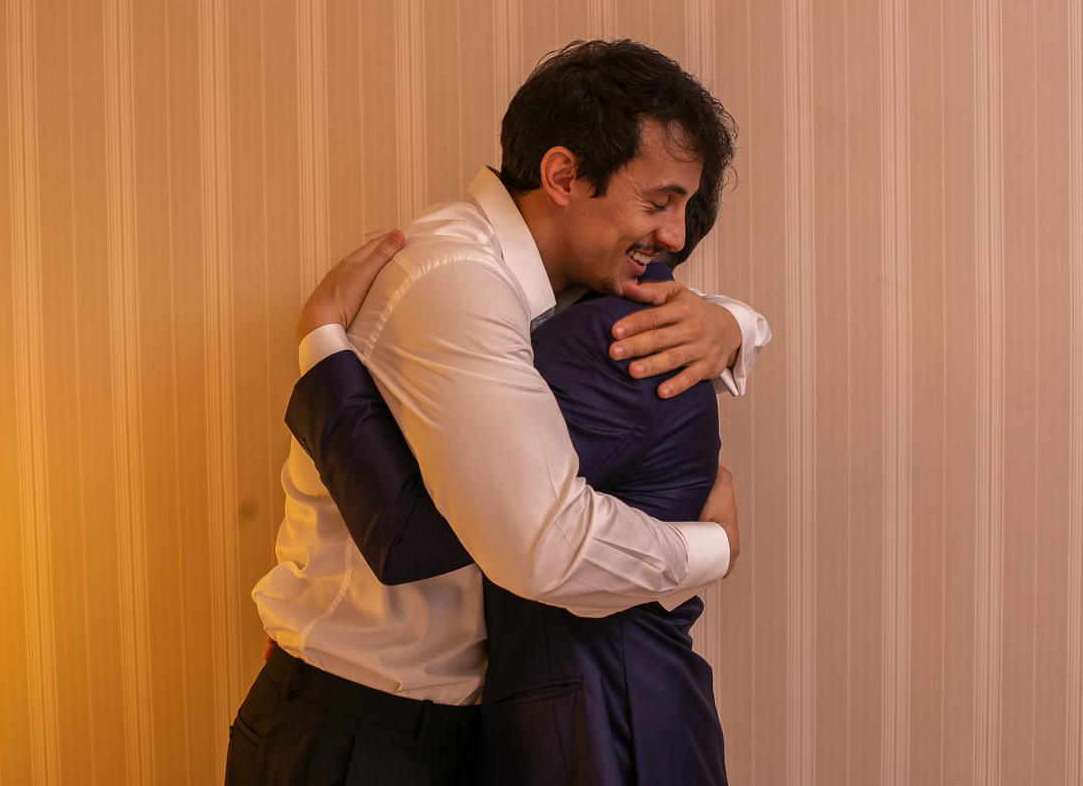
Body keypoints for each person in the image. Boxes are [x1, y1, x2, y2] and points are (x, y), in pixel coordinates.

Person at [226, 39, 771, 785]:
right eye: (658, 202)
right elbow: (540, 544)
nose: (675, 237)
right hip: (358, 732)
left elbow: (670, 310)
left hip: (465, 727)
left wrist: (733, 323)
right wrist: (712, 548)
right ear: (563, 176)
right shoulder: (454, 280)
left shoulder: (567, 279)